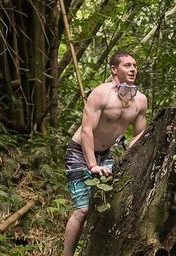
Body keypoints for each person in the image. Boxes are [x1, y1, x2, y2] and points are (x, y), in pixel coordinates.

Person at [63, 52, 148, 256]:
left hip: (106, 153)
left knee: (109, 207)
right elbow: (86, 131)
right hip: (79, 152)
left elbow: (138, 135)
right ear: (113, 69)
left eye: (135, 65)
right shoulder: (100, 94)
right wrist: (92, 165)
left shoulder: (141, 100)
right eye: (127, 65)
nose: (133, 69)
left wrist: (130, 159)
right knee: (83, 210)